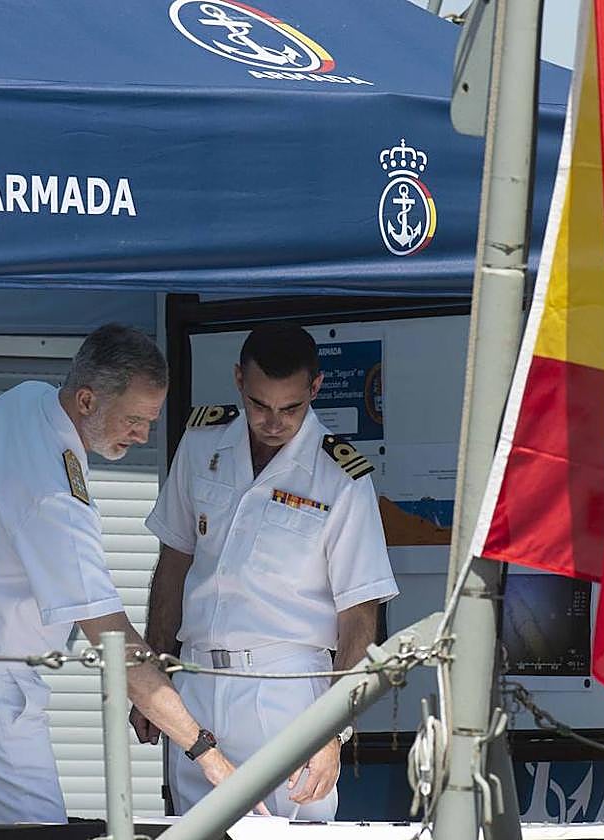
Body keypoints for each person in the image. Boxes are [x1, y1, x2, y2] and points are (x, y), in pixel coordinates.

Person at [0, 323, 254, 828]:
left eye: (150, 421)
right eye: (133, 419)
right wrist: (205, 752)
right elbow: (110, 640)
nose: (143, 435)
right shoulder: (55, 493)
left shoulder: (24, 400)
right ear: (86, 400)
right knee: (36, 833)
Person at [135, 322, 399, 818]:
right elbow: (173, 565)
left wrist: (334, 731)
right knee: (195, 830)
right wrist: (153, 676)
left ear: (315, 389)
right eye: (259, 405)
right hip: (194, 681)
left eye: (290, 408)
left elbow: (359, 616)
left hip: (285, 690)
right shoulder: (200, 444)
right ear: (238, 380)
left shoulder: (340, 478)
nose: (273, 422)